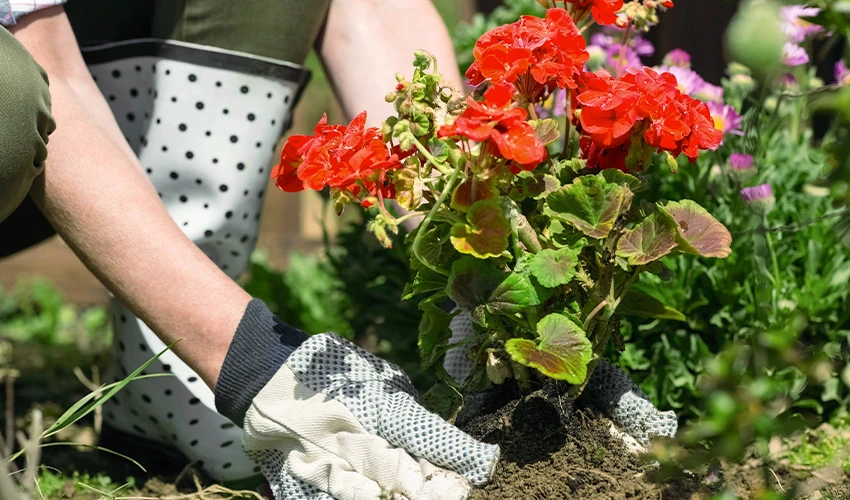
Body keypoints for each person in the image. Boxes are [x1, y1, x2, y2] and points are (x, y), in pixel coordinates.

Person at [0, 1, 677, 498]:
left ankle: (161, 377)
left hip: (80, 100)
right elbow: (50, 77)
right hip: (25, 139)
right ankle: (198, 349)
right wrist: (254, 362)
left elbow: (373, 8)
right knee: (10, 95)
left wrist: (494, 294)